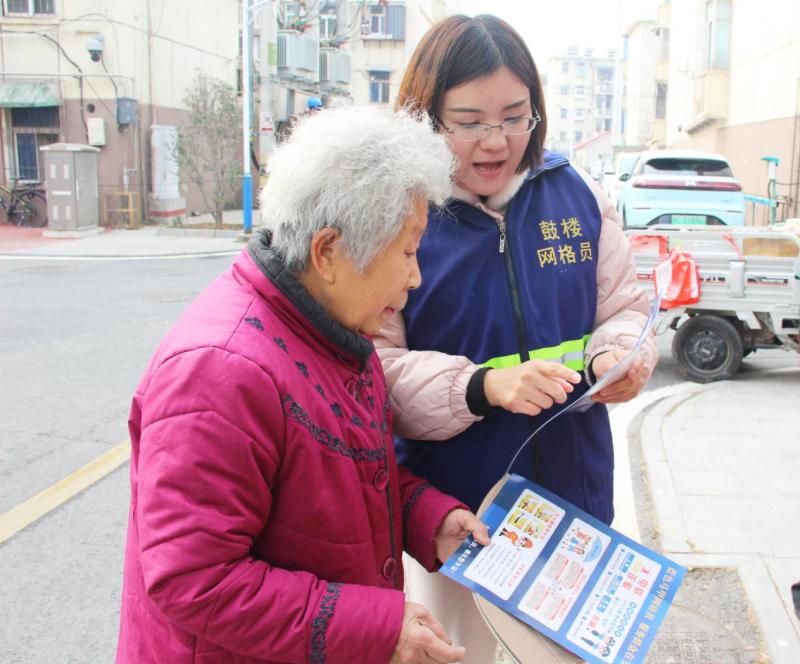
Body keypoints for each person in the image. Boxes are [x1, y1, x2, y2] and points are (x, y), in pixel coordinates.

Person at [116, 105, 490, 664]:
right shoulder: (220, 370)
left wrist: (427, 519)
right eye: (408, 250)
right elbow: (194, 578)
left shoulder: (334, 328)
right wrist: (377, 628)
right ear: (328, 252)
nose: (416, 276)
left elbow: (341, 484)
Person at [375, 15, 657, 662]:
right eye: (468, 121)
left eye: (515, 115)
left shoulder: (576, 194)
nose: (495, 140)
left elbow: (625, 310)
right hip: (454, 523)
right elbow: (377, 374)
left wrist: (619, 354)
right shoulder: (401, 215)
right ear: (424, 117)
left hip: (571, 511)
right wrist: (481, 387)